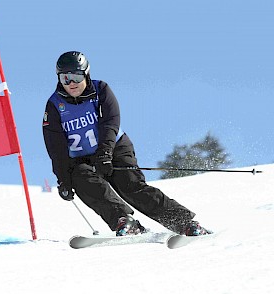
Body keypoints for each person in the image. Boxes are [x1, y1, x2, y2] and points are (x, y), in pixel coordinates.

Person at [42, 51, 212, 236]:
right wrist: (63, 179)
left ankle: (185, 223)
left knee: (130, 186)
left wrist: (105, 153)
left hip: (114, 148)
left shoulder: (101, 90)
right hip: (81, 158)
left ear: (86, 73)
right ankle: (125, 221)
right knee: (83, 180)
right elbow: (55, 146)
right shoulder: (54, 105)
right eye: (65, 78)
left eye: (76, 76)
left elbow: (110, 122)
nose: (71, 83)